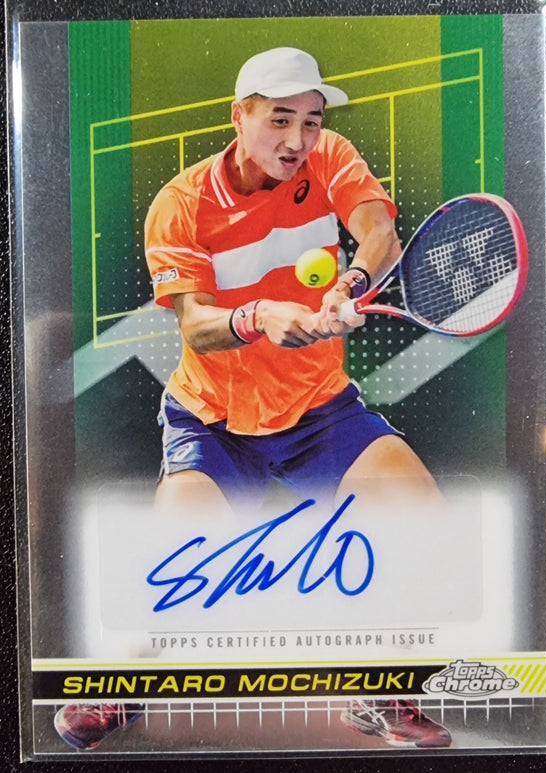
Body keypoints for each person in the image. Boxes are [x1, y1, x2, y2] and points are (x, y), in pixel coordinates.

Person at [54, 47, 451, 751]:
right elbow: (198, 329)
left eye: (311, 120)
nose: (297, 139)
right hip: (216, 422)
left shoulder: (329, 157)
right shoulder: (181, 205)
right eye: (279, 120)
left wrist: (352, 284)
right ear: (239, 116)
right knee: (179, 562)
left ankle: (379, 690)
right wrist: (260, 315)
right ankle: (127, 683)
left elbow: (380, 233)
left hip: (319, 408)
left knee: (422, 517)